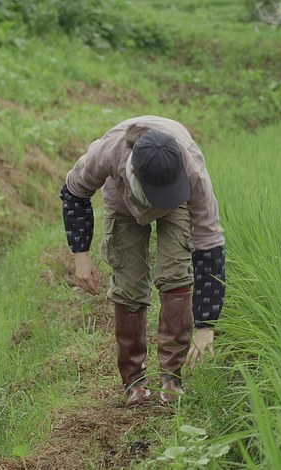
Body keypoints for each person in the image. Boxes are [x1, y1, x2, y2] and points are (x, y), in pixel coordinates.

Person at [60, 115, 226, 407]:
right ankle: (134, 380)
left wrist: (205, 326)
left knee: (176, 274)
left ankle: (171, 378)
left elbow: (209, 244)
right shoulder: (107, 152)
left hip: (177, 204)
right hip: (122, 203)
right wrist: (80, 254)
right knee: (129, 285)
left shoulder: (193, 172)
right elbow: (74, 192)